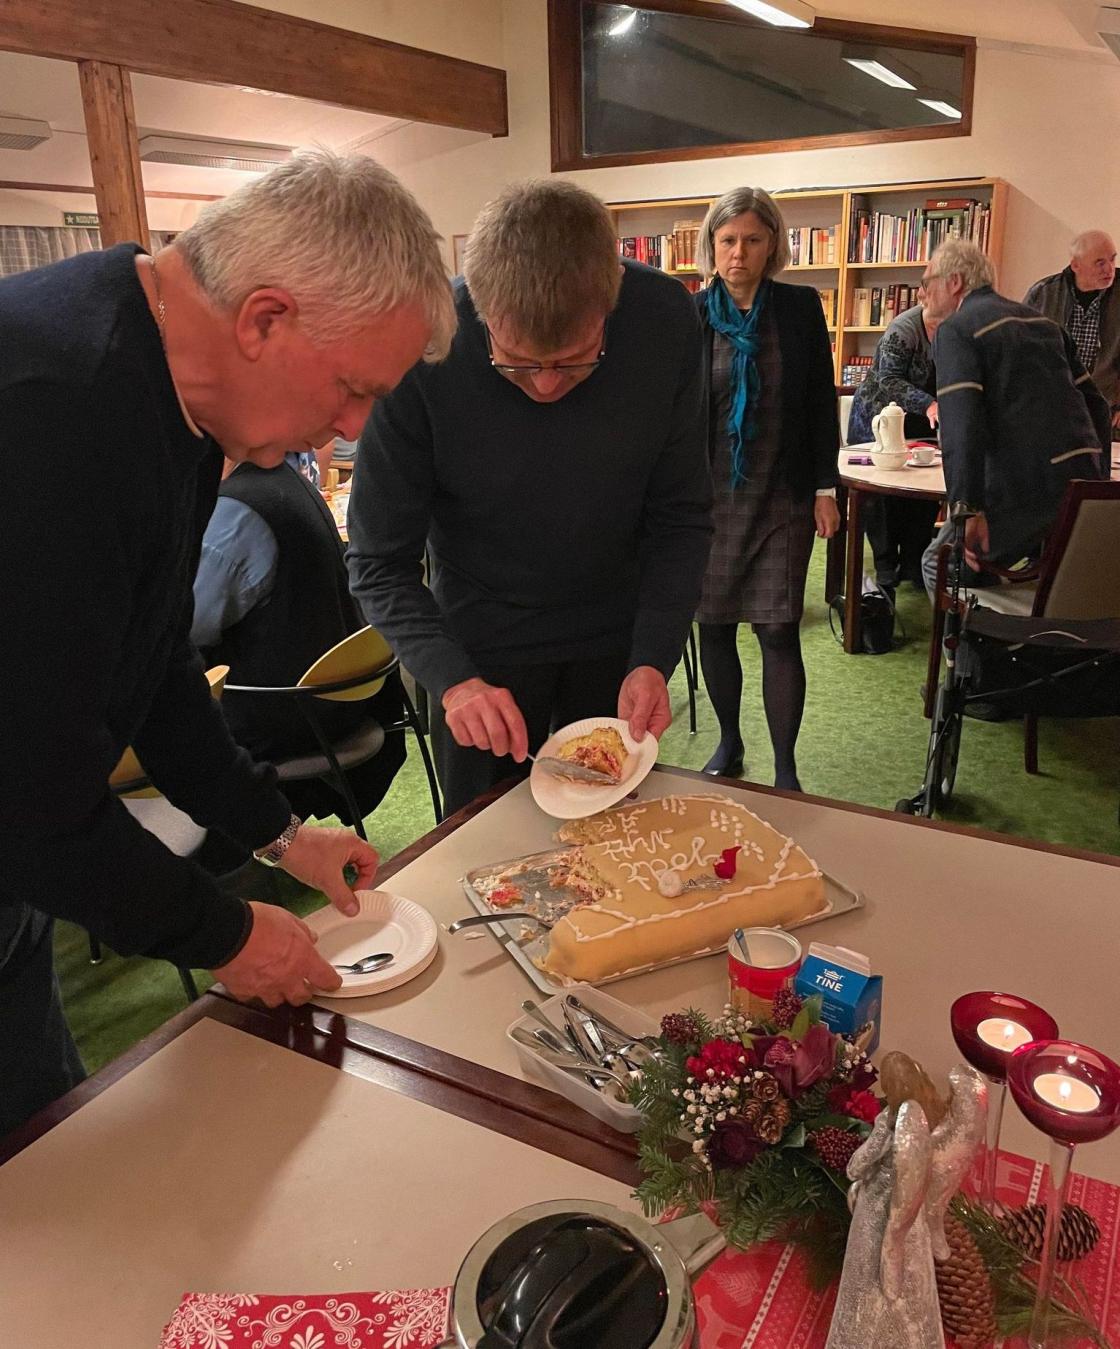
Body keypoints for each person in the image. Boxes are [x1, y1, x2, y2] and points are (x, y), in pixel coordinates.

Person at [0, 150, 455, 1136]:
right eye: (348, 389)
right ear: (264, 318)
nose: (346, 431)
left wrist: (279, 831)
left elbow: (153, 656)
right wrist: (228, 930)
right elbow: (28, 795)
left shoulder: (179, 396)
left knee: (45, 1138)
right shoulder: (51, 406)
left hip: (22, 874)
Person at [347, 179, 712, 817]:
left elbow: (680, 516)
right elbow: (378, 561)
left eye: (574, 362)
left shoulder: (663, 320)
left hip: (615, 634)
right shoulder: (424, 343)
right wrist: (452, 681)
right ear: (479, 313)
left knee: (611, 837)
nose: (544, 386)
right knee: (480, 840)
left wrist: (654, 655)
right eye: (515, 362)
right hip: (478, 642)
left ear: (610, 307)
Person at [691, 187, 840, 790]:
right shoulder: (694, 315)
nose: (738, 253)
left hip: (784, 494)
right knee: (716, 625)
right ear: (712, 246)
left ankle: (785, 768)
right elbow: (677, 412)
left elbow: (820, 404)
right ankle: (730, 741)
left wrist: (827, 488)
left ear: (772, 244)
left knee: (778, 629)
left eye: (752, 240)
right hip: (710, 501)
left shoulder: (800, 308)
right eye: (727, 241)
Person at [191, 457, 406, 830]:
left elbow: (180, 631)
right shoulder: (285, 479)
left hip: (279, 717)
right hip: (337, 704)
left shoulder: (234, 515)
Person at [919, 239, 1110, 596]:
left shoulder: (958, 330)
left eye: (927, 283)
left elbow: (962, 424)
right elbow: (1097, 405)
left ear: (955, 282)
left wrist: (967, 509)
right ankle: (999, 632)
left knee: (939, 562)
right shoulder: (1045, 324)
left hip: (1027, 490)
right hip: (1080, 489)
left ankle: (968, 651)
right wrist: (1096, 480)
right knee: (980, 567)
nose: (922, 294)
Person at [847, 302, 943, 591]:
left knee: (924, 490)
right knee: (884, 498)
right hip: (879, 418)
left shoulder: (955, 329)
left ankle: (915, 562)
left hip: (921, 422)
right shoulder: (904, 329)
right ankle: (885, 565)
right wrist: (929, 404)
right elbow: (888, 379)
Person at [1024, 230, 1119, 431]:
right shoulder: (1043, 294)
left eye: (1112, 259)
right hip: (1051, 410)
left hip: (1106, 413)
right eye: (1100, 262)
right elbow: (1021, 352)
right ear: (1076, 265)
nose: (1109, 269)